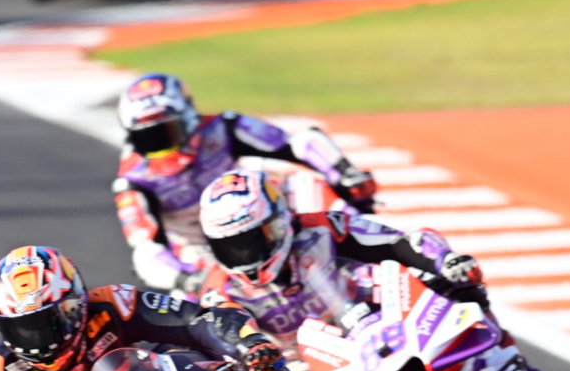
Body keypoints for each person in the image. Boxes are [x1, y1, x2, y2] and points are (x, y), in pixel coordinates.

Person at [196, 169, 570, 371]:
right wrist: (255, 355)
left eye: (254, 239)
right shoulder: (219, 289)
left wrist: (444, 262)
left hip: (368, 314)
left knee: (454, 284)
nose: (245, 255)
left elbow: (397, 242)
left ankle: (521, 370)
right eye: (231, 247)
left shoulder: (322, 226)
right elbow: (222, 332)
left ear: (279, 220)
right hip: (307, 366)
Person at [112, 72, 377, 294]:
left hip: (259, 219)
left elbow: (299, 143)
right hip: (201, 253)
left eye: (166, 133)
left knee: (305, 185)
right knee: (190, 310)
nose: (161, 148)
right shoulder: (132, 181)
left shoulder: (224, 126)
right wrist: (188, 280)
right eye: (147, 139)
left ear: (189, 116)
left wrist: (345, 173)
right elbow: (145, 250)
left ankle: (370, 245)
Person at [0, 245, 284, 371]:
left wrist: (248, 344)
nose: (36, 339)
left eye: (45, 323)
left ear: (73, 306)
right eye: (20, 327)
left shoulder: (113, 303)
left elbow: (198, 320)